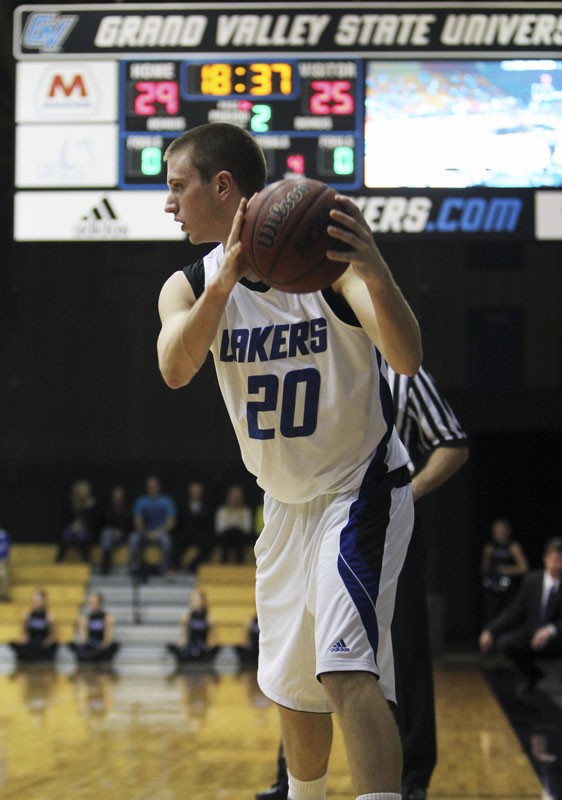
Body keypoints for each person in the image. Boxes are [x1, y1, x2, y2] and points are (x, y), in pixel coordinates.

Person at [157, 122, 422, 800]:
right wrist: (229, 279)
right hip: (283, 502)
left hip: (358, 487)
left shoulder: (324, 263)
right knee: (294, 686)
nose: (169, 203)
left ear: (222, 185)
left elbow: (408, 357)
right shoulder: (188, 285)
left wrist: (374, 267)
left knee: (343, 668)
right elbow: (175, 368)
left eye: (177, 186)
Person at [258, 366, 469, 800]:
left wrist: (409, 490)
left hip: (380, 514)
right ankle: (292, 780)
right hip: (311, 510)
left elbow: (453, 443)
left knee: (394, 655)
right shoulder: (310, 350)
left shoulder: (402, 373)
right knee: (299, 656)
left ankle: (409, 779)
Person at [479, 537, 562, 693]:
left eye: (560, 558)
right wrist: (491, 630)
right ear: (546, 559)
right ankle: (533, 675)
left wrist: (550, 630)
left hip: (557, 636)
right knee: (506, 643)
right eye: (554, 558)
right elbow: (514, 611)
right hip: (532, 632)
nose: (557, 562)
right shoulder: (533, 581)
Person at [480, 517, 529, 623]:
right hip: (492, 587)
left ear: (507, 531)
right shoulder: (489, 548)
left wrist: (508, 570)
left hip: (508, 588)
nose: (498, 533)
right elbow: (484, 568)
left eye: (501, 530)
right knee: (491, 614)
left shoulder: (513, 547)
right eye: (496, 531)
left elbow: (524, 568)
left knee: (507, 614)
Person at [128, 476, 177, 578]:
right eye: (150, 486)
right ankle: (134, 568)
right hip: (144, 532)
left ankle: (163, 569)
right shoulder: (141, 501)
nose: (152, 488)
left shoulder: (166, 501)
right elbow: (137, 522)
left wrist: (157, 533)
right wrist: (145, 533)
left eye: (154, 486)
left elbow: (170, 523)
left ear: (158, 487)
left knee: (167, 541)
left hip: (160, 533)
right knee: (133, 539)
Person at [172, 481, 215, 574]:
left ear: (201, 494)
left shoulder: (207, 507)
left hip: (200, 534)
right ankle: (175, 567)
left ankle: (192, 566)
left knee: (208, 546)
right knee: (176, 543)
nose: (195, 495)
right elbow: (178, 523)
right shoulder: (182, 506)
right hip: (185, 533)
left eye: (197, 493)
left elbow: (209, 525)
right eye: (193, 493)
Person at [166, 588, 219, 663]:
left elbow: (214, 638)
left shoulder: (208, 617)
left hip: (202, 649)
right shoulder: (186, 617)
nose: (196, 602)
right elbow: (183, 636)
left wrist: (210, 649)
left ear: (203, 601)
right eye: (194, 600)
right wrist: (181, 647)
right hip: (189, 648)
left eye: (198, 600)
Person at [56, 479, 101, 563]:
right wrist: (73, 526)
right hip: (72, 528)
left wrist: (88, 509)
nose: (85, 493)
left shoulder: (92, 504)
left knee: (82, 535)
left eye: (86, 491)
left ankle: (86, 559)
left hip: (87, 529)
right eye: (82, 491)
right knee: (67, 534)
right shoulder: (71, 503)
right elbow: (66, 518)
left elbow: (95, 521)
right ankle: (59, 559)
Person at [68, 591, 120, 663]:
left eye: (93, 603)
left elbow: (108, 638)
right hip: (91, 644)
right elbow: (84, 638)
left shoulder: (107, 618)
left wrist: (101, 645)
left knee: (114, 645)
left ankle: (91, 656)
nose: (91, 605)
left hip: (102, 646)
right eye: (90, 603)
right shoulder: (85, 618)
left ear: (100, 603)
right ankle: (88, 656)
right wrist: (90, 644)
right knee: (72, 644)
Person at [9, 589, 59, 662]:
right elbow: (23, 634)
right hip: (31, 642)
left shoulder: (50, 616)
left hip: (43, 644)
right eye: (34, 601)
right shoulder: (27, 615)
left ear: (44, 601)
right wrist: (24, 639)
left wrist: (47, 642)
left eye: (38, 601)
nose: (36, 603)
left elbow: (53, 636)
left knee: (51, 648)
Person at [214, 484, 253, 564]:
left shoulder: (246, 511)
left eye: (238, 497)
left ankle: (239, 566)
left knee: (237, 536)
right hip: (226, 537)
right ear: (229, 497)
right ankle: (223, 565)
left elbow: (247, 529)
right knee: (228, 536)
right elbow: (220, 529)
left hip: (241, 537)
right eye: (233, 496)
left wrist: (235, 527)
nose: (235, 499)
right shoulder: (222, 511)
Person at [99, 485, 133, 575]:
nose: (117, 497)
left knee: (134, 538)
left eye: (119, 495)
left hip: (125, 534)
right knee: (106, 533)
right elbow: (104, 521)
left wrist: (122, 531)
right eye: (115, 495)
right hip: (112, 533)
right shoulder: (107, 507)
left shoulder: (128, 507)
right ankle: (105, 566)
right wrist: (114, 530)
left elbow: (130, 523)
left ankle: (133, 567)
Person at [0, 522, 10, 601]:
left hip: (2, 562)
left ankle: (3, 595)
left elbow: (4, 550)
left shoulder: (3, 535)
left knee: (3, 574)